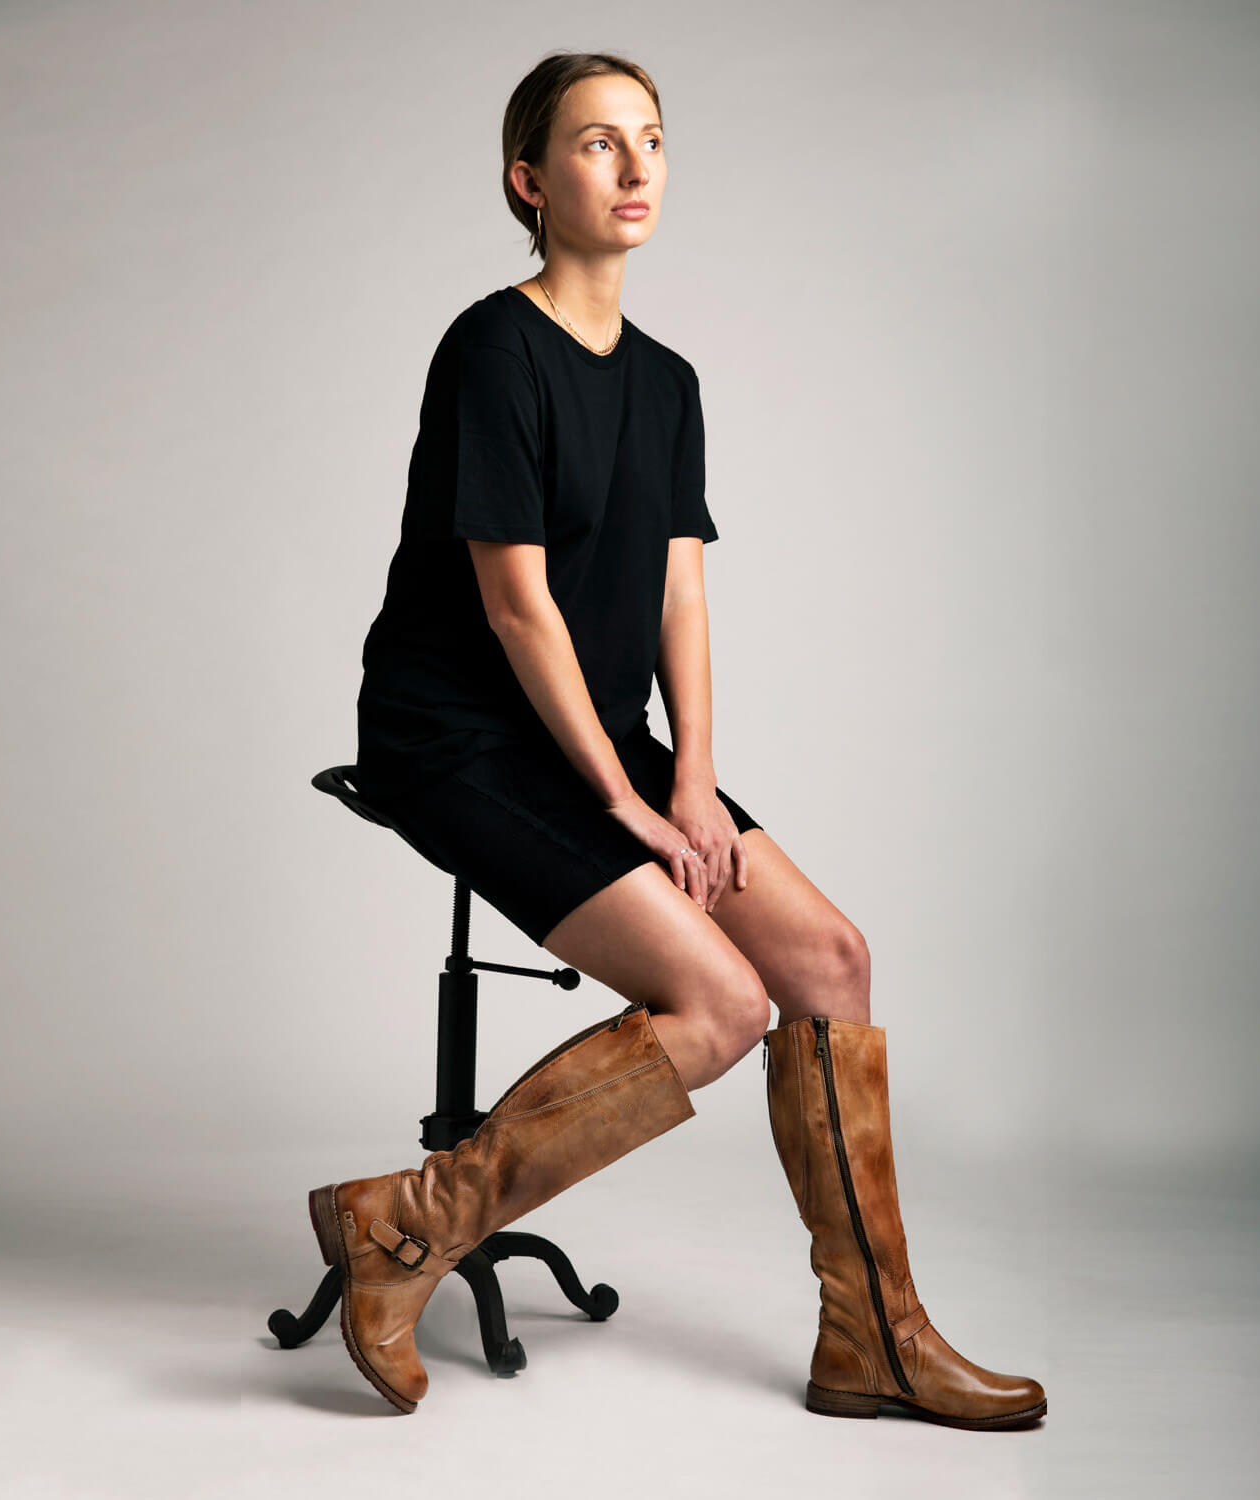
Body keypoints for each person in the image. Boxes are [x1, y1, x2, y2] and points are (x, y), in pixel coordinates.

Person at [313, 51, 1046, 1430]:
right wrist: (631, 808)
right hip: (462, 732)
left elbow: (678, 590)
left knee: (829, 961)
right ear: (532, 182)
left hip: (599, 730)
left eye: (651, 138)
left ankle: (872, 1337)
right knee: (719, 1007)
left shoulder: (667, 381)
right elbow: (519, 608)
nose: (637, 166)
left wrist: (690, 782)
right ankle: (408, 1228)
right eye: (598, 145)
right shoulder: (493, 347)